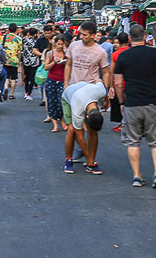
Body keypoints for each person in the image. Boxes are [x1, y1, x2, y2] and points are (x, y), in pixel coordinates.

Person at [113, 25, 156, 189]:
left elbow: (118, 84)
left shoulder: (123, 56)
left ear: (130, 39)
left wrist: (121, 102)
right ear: (145, 36)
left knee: (133, 141)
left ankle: (137, 176)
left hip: (132, 103)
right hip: (155, 102)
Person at [63, 20, 111, 171]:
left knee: (92, 130)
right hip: (73, 92)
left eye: (84, 35)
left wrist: (106, 90)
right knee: (72, 129)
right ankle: (69, 159)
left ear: (93, 36)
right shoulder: (74, 45)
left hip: (91, 91)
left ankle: (91, 159)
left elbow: (106, 72)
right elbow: (69, 64)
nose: (81, 37)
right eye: (80, 34)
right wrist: (66, 83)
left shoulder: (100, 51)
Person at [62, 81, 107, 175]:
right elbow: (80, 137)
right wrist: (87, 157)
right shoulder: (77, 108)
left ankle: (91, 163)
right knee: (71, 130)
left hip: (85, 88)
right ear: (87, 117)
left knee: (93, 132)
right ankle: (68, 160)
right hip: (69, 96)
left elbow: (99, 80)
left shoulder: (101, 91)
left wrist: (106, 100)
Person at [43, 34, 68, 133]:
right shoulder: (50, 53)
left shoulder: (66, 54)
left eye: (62, 44)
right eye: (59, 44)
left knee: (60, 102)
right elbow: (46, 67)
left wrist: (64, 62)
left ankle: (62, 121)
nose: (60, 46)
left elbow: (69, 66)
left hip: (62, 80)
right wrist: (54, 62)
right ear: (55, 43)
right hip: (51, 80)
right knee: (51, 102)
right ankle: (55, 124)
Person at [110, 32, 130, 133]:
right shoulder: (131, 52)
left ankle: (124, 124)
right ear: (128, 40)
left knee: (122, 105)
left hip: (120, 84)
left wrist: (111, 86)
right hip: (132, 83)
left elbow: (111, 72)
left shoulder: (114, 55)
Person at [33, 25, 54, 106]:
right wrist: (44, 55)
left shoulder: (55, 39)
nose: (47, 35)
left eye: (49, 33)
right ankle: (44, 99)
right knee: (42, 84)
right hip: (43, 64)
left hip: (54, 64)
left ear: (52, 32)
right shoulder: (40, 40)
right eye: (45, 33)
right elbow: (34, 50)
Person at [1, 23, 23, 100]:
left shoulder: (3, 38)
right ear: (16, 30)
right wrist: (19, 61)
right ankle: (11, 94)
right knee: (13, 78)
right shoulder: (19, 39)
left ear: (8, 29)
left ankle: (6, 87)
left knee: (6, 77)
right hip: (15, 60)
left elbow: (0, 49)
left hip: (5, 60)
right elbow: (19, 52)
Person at [21, 28, 40, 101]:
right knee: (32, 79)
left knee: (27, 78)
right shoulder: (36, 42)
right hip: (34, 62)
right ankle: (28, 93)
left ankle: (26, 92)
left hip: (25, 61)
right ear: (35, 34)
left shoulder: (23, 40)